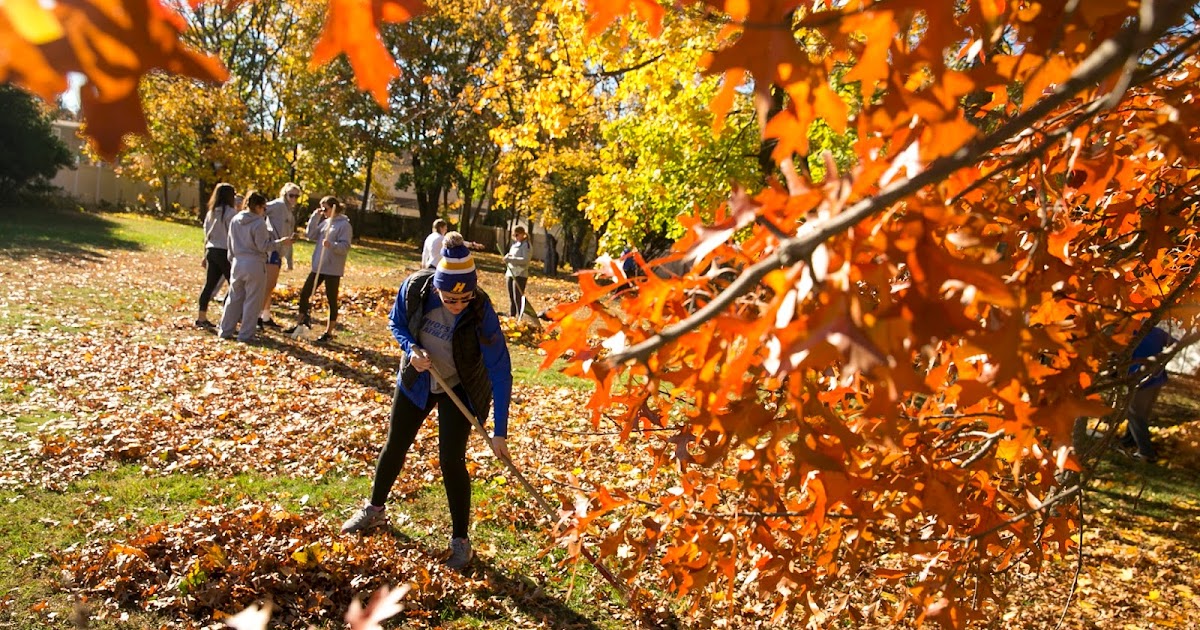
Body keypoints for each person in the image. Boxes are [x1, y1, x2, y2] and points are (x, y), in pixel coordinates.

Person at [340, 233, 513, 571]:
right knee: (395, 445)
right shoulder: (416, 289)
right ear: (437, 287)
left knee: (451, 460)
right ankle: (374, 510)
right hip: (417, 379)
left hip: (460, 386)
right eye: (450, 299)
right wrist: (410, 349)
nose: (458, 305)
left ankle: (461, 541)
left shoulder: (480, 309)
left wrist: (500, 432)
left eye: (464, 299)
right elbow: (397, 323)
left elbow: (501, 370)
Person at [219, 191, 291, 342]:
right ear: (258, 207)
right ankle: (245, 334)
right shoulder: (259, 223)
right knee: (253, 300)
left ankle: (225, 330)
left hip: (237, 262)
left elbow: (230, 243)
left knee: (234, 298)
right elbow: (263, 246)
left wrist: (232, 259)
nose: (264, 211)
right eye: (264, 208)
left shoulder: (235, 219)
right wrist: (281, 242)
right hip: (255, 264)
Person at [284, 196, 352, 342]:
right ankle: (300, 323)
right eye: (321, 208)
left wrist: (332, 245)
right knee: (305, 293)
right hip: (318, 266)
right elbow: (311, 235)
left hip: (332, 268)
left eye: (325, 209)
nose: (323, 211)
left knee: (331, 299)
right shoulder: (326, 222)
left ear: (334, 208)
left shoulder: (344, 225)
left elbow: (345, 247)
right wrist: (315, 217)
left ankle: (329, 332)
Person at [1120, 326, 1176, 462]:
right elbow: (1175, 343)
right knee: (1140, 413)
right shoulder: (1155, 330)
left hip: (1140, 378)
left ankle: (1146, 453)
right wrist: (1162, 361)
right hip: (1156, 377)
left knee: (1135, 414)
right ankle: (1128, 441)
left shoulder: (1130, 329)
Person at [260, 183, 302, 328]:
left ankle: (265, 316)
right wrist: (264, 233)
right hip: (271, 248)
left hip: (280, 250)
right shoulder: (278, 205)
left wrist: (289, 260)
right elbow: (260, 210)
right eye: (291, 195)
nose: (294, 199)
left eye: (297, 196)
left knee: (270, 285)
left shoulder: (289, 211)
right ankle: (256, 317)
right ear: (284, 194)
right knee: (268, 284)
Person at [195, 183, 237, 328]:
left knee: (209, 285)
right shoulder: (232, 214)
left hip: (211, 250)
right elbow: (234, 235)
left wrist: (204, 254)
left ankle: (201, 317)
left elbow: (207, 234)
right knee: (234, 286)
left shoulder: (211, 212)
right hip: (225, 251)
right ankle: (227, 318)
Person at [503, 225, 531, 318]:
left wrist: (511, 259)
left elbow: (525, 260)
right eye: (514, 235)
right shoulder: (515, 244)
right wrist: (507, 258)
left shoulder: (526, 245)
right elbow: (511, 256)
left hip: (520, 274)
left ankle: (520, 318)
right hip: (511, 273)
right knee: (511, 297)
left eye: (517, 235)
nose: (515, 237)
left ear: (523, 234)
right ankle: (512, 316)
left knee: (517, 298)